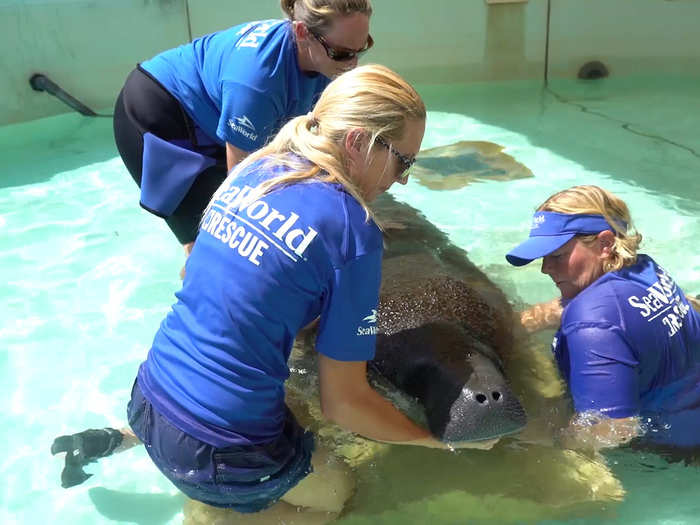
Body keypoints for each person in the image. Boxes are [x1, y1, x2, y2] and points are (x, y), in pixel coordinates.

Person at [54, 64, 496, 524]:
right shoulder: (352, 230)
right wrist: (436, 441)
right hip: (220, 452)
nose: (402, 179)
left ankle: (122, 441)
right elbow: (344, 404)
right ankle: (217, 515)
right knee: (342, 493)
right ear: (357, 142)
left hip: (147, 401)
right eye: (403, 161)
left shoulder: (257, 169)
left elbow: (210, 284)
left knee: (285, 394)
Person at [113, 0, 374, 261]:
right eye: (342, 53)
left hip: (215, 117)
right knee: (218, 248)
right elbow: (241, 189)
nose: (354, 64)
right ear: (302, 32)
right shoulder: (257, 82)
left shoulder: (317, 54)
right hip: (162, 118)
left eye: (362, 48)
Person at [506, 185, 700, 452]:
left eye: (557, 256)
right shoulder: (644, 268)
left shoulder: (590, 324)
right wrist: (514, 324)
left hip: (675, 449)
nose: (545, 268)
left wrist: (535, 435)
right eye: (543, 257)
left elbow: (615, 430)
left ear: (605, 244)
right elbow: (599, 311)